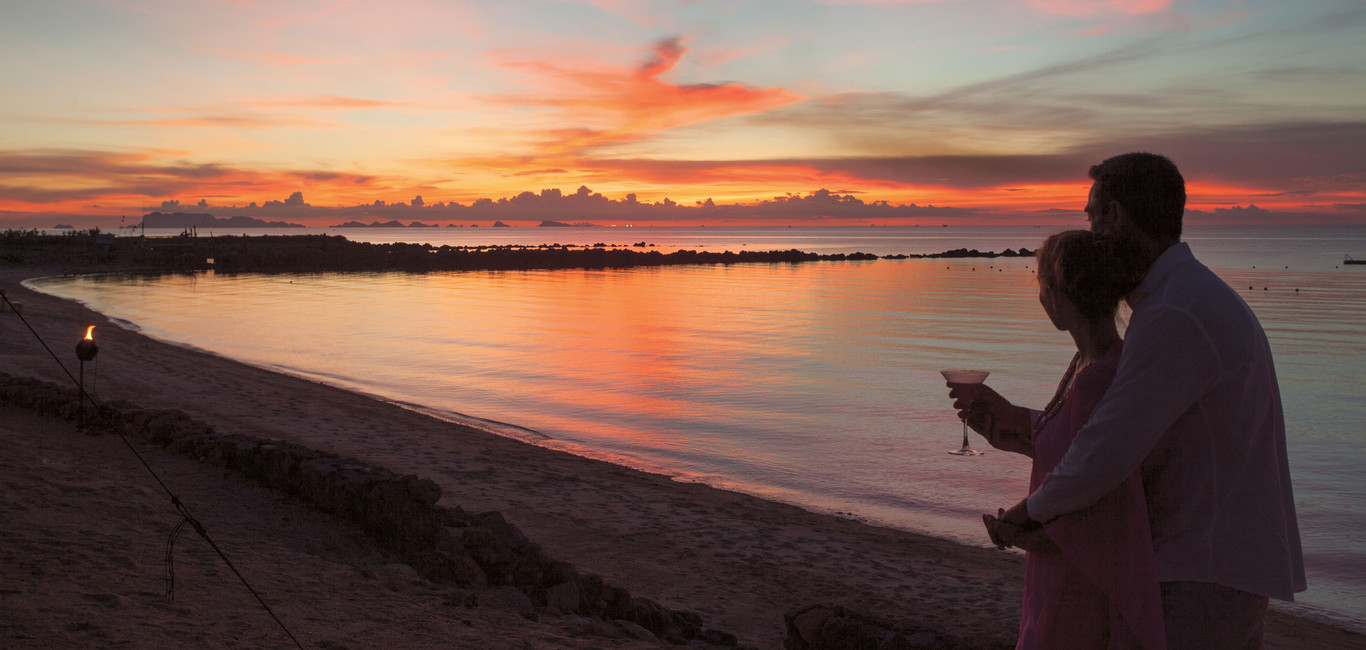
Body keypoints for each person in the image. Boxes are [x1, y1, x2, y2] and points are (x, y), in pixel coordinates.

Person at [953, 153, 1306, 649]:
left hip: (1203, 566)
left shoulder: (1176, 312)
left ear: (1117, 216)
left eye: (1093, 217)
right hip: (1215, 562)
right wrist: (1020, 425)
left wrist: (1028, 514)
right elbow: (1122, 432)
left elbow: (1106, 451)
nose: (1091, 233)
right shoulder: (1181, 300)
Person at [975, 229, 1164, 648]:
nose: (1040, 296)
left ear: (1059, 297)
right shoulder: (1089, 361)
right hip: (1055, 576)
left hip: (1076, 589)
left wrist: (1013, 532)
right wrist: (1015, 424)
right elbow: (1076, 455)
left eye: (1042, 284)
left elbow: (1103, 517)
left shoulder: (1100, 380)